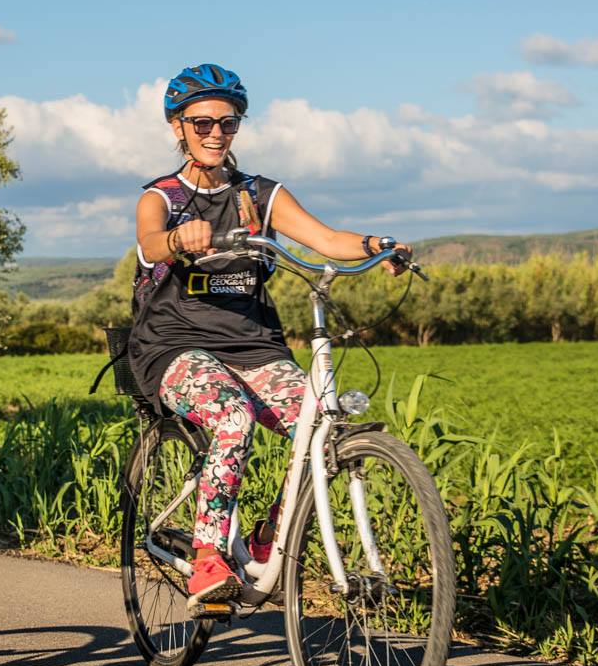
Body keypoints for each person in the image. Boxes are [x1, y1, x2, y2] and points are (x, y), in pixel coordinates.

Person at [128, 64, 412, 609]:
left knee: (323, 425)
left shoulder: (259, 193)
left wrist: (379, 244)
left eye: (228, 123)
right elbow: (149, 244)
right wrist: (177, 238)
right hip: (175, 345)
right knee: (231, 414)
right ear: (177, 127)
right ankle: (208, 558)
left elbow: (328, 239)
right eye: (202, 122)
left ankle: (269, 537)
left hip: (253, 344)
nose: (216, 134)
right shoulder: (161, 196)